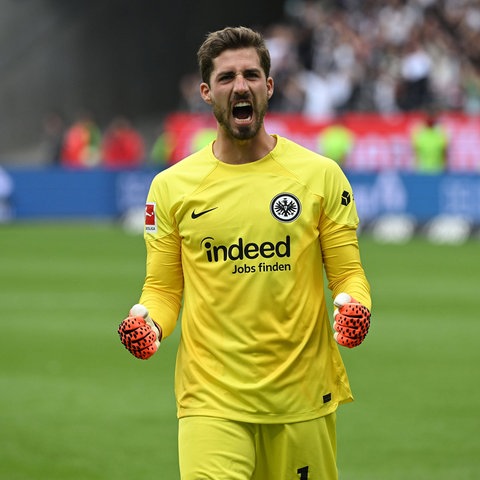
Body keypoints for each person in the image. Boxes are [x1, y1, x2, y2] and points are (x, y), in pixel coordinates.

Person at [118, 26, 372, 480]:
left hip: (301, 397)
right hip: (209, 399)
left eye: (252, 75)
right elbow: (161, 288)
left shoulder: (320, 177)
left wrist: (357, 310)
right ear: (205, 92)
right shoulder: (171, 188)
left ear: (269, 86)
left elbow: (349, 276)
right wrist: (150, 323)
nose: (240, 86)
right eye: (226, 77)